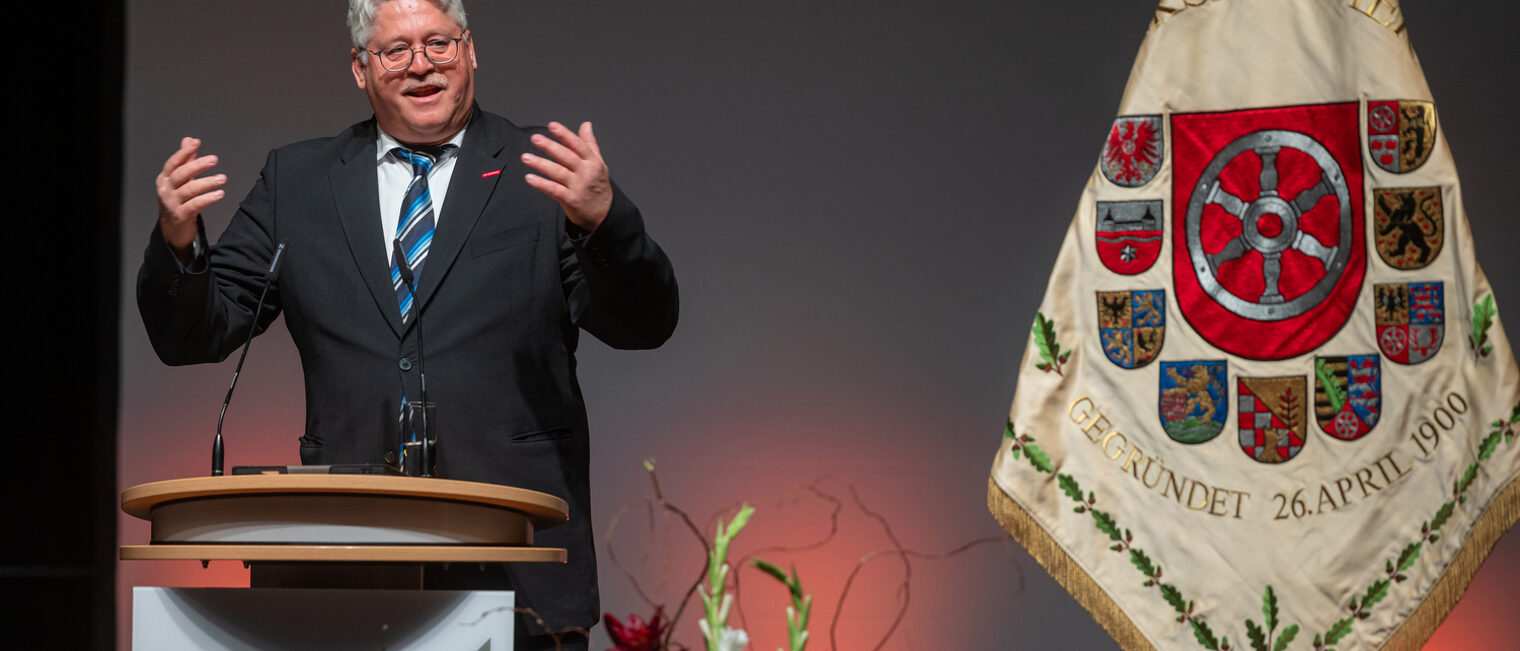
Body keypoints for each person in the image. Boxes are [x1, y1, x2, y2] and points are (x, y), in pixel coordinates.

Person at [137, 0, 678, 647]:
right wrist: (178, 243)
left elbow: (645, 322)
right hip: (347, 574)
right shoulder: (298, 182)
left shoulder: (542, 174)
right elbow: (194, 332)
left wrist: (604, 219)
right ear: (361, 69)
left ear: (470, 50)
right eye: (397, 51)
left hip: (521, 575)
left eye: (440, 45)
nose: (422, 66)